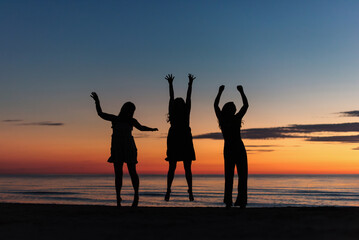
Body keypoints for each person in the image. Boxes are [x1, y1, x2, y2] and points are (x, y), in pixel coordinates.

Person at [90, 92, 158, 207]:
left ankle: (136, 195)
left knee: (132, 172)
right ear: (125, 109)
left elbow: (141, 128)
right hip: (117, 148)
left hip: (129, 147)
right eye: (130, 109)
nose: (131, 112)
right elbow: (100, 113)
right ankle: (118, 197)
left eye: (132, 110)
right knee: (118, 174)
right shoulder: (115, 119)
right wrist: (97, 101)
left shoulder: (131, 121)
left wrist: (151, 129)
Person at [214, 85, 249, 208]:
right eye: (232, 107)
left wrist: (241, 92)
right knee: (234, 175)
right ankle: (232, 201)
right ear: (228, 109)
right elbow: (216, 106)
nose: (234, 108)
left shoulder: (232, 119)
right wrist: (220, 92)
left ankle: (238, 201)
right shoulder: (226, 119)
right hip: (233, 148)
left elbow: (245, 106)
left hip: (234, 148)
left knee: (238, 175)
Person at [164, 74, 196, 202]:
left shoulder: (179, 112)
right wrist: (189, 84)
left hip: (179, 137)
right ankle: (171, 190)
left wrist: (188, 84)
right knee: (181, 167)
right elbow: (176, 97)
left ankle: (184, 190)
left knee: (176, 167)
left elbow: (184, 97)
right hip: (180, 137)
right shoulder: (183, 112)